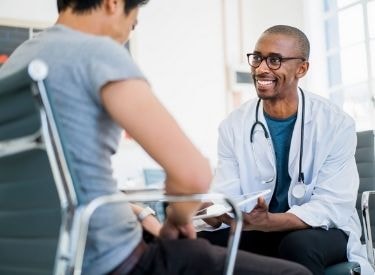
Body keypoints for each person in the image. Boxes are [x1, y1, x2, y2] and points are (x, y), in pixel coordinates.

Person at [0, 2, 312, 275]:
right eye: (131, 23)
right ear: (112, 4)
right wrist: (175, 222)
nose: (126, 35)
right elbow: (192, 175)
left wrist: (139, 212)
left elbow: (69, 182)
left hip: (42, 259)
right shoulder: (97, 52)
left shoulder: (19, 62)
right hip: (114, 259)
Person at [197, 25, 374, 275]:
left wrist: (272, 222)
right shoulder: (233, 126)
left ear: (302, 68)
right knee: (201, 245)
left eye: (275, 60)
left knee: (297, 245)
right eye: (257, 58)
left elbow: (333, 205)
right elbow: (226, 193)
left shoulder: (335, 123)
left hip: (322, 230)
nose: (261, 68)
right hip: (259, 227)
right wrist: (211, 210)